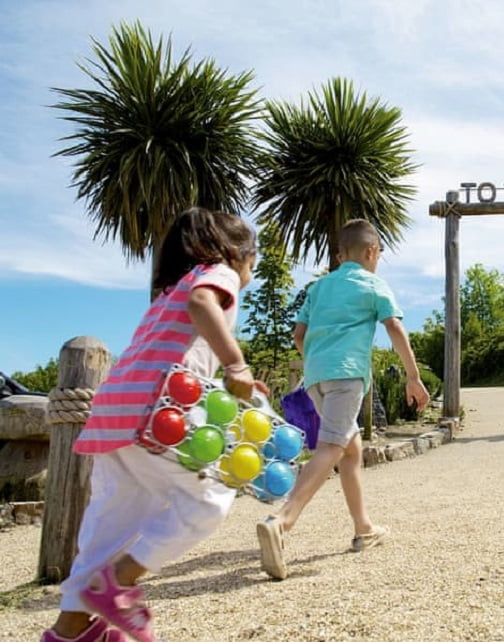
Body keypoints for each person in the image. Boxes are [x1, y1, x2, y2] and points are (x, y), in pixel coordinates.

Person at [42, 207, 266, 642]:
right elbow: (203, 304)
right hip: (155, 413)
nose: (249, 273)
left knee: (110, 524)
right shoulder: (216, 274)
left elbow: (179, 350)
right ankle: (119, 584)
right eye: (252, 263)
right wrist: (236, 364)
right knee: (211, 497)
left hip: (114, 412)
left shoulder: (166, 293)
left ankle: (70, 631)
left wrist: (225, 380)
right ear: (238, 255)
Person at [256, 218, 430, 580]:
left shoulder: (319, 288)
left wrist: (316, 360)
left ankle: (363, 528)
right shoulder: (372, 283)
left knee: (350, 449)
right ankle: (281, 522)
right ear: (371, 252)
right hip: (347, 375)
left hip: (316, 376)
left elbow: (299, 335)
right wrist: (413, 377)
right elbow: (395, 326)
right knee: (332, 447)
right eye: (379, 254)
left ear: (339, 254)